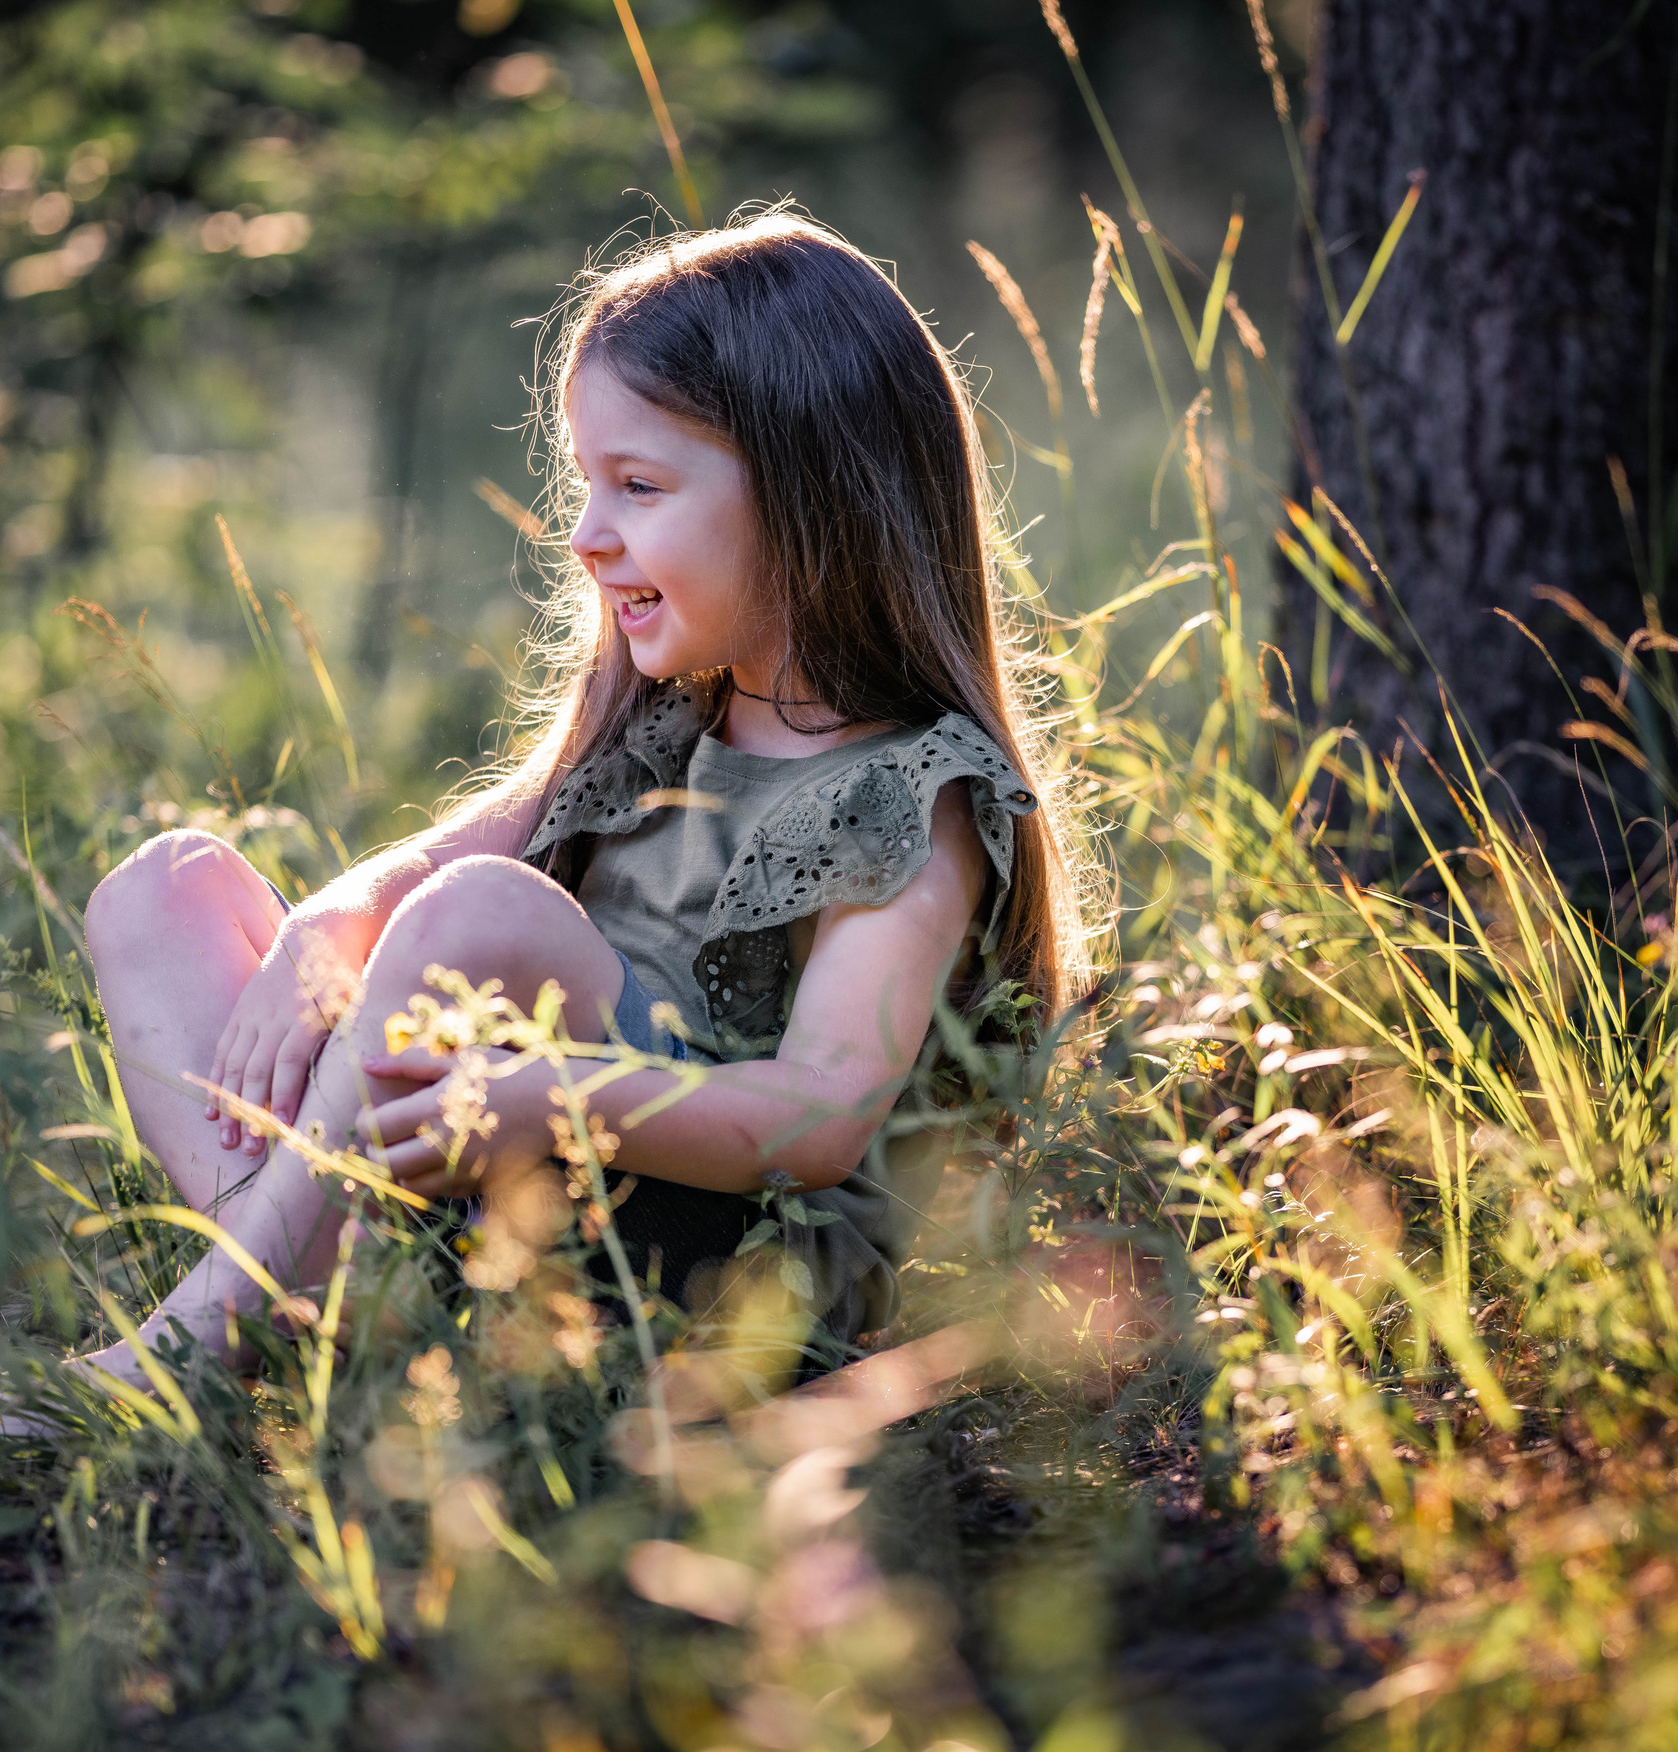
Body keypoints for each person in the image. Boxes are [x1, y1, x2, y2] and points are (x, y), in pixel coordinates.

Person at [70, 210, 1095, 1389]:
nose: (585, 536)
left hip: (719, 1262)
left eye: (639, 487)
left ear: (812, 496)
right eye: (586, 485)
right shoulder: (667, 721)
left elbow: (816, 1121)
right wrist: (318, 927)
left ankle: (195, 1344)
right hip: (514, 1179)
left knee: (482, 917)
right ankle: (316, 1291)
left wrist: (552, 1100)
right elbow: (429, 866)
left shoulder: (911, 796)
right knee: (168, 890)